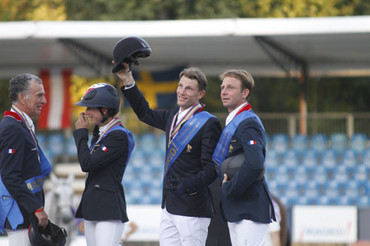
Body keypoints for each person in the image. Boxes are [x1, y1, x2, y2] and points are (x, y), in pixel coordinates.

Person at [116, 64, 222, 246]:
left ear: (200, 94)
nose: (182, 91)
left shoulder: (208, 123)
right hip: (169, 206)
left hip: (192, 208)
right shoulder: (172, 114)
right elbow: (144, 113)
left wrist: (188, 186)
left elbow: (212, 169)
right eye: (180, 86)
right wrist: (128, 81)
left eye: (189, 88)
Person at [213, 69, 276, 245]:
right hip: (239, 207)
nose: (224, 91)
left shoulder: (247, 122)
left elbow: (255, 163)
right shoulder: (234, 120)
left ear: (245, 93)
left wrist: (230, 188)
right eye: (222, 87)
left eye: (230, 87)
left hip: (249, 206)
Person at [73, 83, 135, 246]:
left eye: (90, 108)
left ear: (105, 110)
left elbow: (87, 164)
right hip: (92, 206)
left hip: (108, 207)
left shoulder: (118, 136)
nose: (86, 113)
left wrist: (80, 134)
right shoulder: (99, 134)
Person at [0, 73, 50, 245]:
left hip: (27, 215)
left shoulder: (22, 125)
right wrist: (36, 208)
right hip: (20, 215)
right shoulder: (12, 128)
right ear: (22, 97)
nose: (44, 100)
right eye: (39, 95)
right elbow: (10, 176)